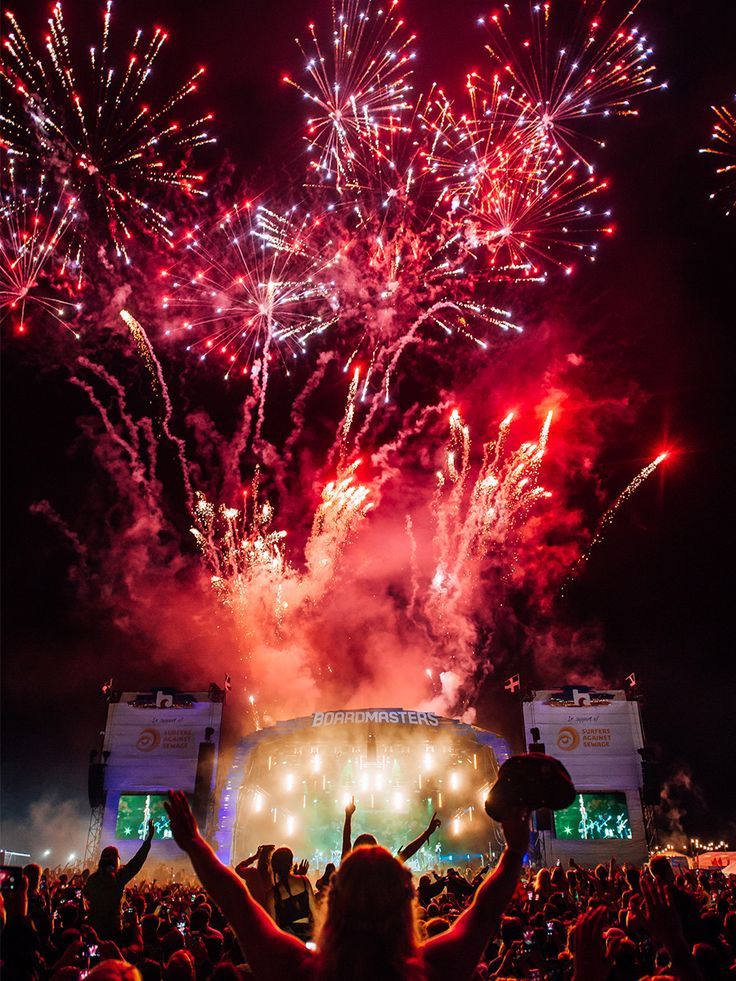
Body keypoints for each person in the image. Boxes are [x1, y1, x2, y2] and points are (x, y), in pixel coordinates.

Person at [163, 788, 529, 981]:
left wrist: (195, 844)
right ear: (406, 901)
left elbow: (237, 903)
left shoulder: (300, 971)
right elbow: (485, 911)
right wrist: (513, 851)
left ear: (334, 901)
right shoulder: (431, 970)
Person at [85, 822, 155, 940]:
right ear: (116, 860)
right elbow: (137, 862)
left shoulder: (92, 879)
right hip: (113, 931)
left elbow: (86, 897)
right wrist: (148, 840)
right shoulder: (118, 877)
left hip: (93, 930)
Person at [340, 797, 442, 864]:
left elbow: (346, 845)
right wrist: (427, 832)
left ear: (355, 850)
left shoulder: (349, 870)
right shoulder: (383, 871)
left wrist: (348, 816)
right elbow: (406, 854)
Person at [269, 848, 316, 942]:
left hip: (288, 942)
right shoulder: (304, 881)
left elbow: (272, 929)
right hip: (307, 938)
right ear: (291, 863)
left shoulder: (272, 895)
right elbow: (316, 914)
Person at [234, 846, 274, 914]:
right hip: (268, 916)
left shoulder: (252, 873)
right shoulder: (274, 876)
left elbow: (238, 868)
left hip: (251, 912)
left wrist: (255, 857)